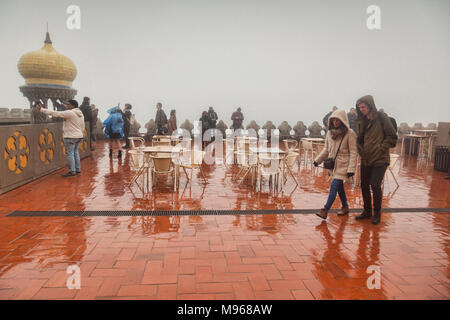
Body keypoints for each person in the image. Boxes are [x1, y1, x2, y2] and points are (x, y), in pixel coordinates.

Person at [355, 95, 398, 225]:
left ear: (370, 105)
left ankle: (377, 213)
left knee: (375, 185)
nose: (361, 109)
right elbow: (360, 139)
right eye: (359, 107)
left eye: (363, 107)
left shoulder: (381, 117)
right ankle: (367, 211)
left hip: (380, 157)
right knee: (364, 185)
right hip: (366, 157)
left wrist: (382, 147)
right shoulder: (362, 120)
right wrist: (360, 148)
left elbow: (392, 136)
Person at [314, 109, 358, 219]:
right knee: (339, 187)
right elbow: (326, 149)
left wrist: (351, 169)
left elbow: (353, 152)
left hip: (344, 165)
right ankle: (345, 206)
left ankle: (325, 209)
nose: (335, 122)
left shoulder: (350, 133)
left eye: (337, 120)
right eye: (333, 120)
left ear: (343, 120)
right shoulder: (330, 133)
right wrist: (317, 160)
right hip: (333, 165)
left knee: (334, 185)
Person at [36, 99, 85, 177]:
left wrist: (42, 109)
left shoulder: (69, 113)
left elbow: (56, 113)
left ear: (73, 106)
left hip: (70, 136)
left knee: (70, 154)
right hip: (78, 136)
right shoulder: (80, 113)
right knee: (76, 152)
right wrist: (81, 134)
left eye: (68, 104)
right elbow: (83, 126)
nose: (67, 106)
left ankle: (72, 171)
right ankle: (78, 169)